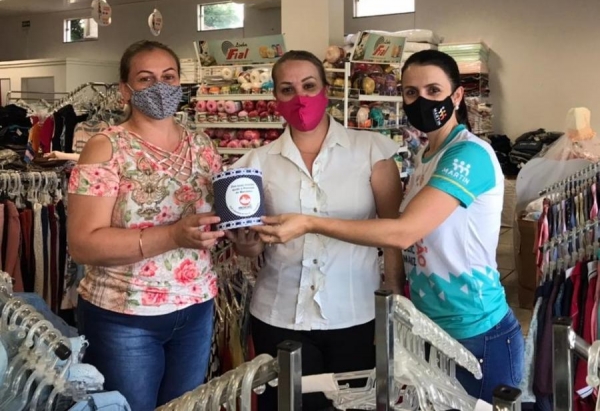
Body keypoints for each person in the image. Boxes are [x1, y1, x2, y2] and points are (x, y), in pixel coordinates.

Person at [253, 50, 524, 403]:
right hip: (430, 324)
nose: (422, 101)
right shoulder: (427, 156)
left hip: (475, 328)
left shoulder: (468, 154)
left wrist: (309, 223)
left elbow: (402, 231)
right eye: (411, 92)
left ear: (457, 95)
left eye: (433, 90)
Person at [227, 50, 403, 411]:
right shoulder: (255, 163)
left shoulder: (372, 152)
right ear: (275, 97)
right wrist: (247, 245)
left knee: (355, 406)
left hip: (355, 313)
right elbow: (255, 246)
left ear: (325, 90)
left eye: (309, 86)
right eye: (287, 89)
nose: (300, 97)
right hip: (279, 314)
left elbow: (393, 236)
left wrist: (393, 301)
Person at [67, 40, 224, 411]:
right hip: (124, 315)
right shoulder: (106, 148)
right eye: (146, 79)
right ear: (125, 90)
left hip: (196, 306)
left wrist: (243, 229)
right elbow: (83, 244)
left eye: (168, 77)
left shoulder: (202, 145)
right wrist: (173, 235)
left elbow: (218, 216)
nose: (160, 87)